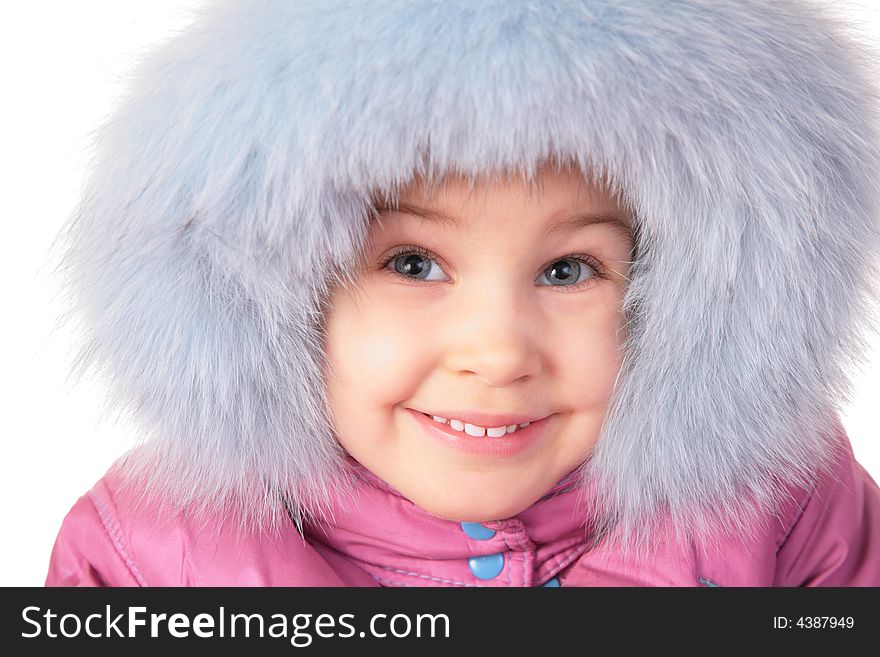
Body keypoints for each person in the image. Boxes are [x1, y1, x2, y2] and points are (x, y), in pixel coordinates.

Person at [46, 0, 880, 586]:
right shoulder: (147, 556)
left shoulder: (785, 505)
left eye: (568, 270)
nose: (497, 352)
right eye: (413, 263)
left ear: (687, 297)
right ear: (275, 296)